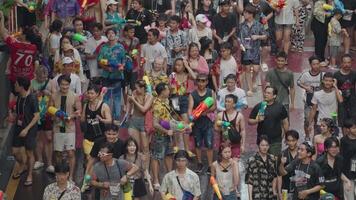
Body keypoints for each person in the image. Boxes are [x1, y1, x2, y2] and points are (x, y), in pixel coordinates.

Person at [0, 11, 40, 98]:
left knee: (14, 96)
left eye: (21, 33)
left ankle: (12, 110)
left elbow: (3, 33)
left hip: (15, 78)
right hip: (28, 78)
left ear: (25, 36)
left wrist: (2, 18)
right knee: (25, 96)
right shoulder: (33, 47)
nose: (20, 34)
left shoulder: (16, 45)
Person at [8, 77, 39, 186]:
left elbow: (36, 116)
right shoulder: (19, 97)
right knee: (15, 151)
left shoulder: (32, 99)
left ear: (21, 87)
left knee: (29, 153)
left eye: (16, 84)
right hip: (19, 127)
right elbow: (19, 113)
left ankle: (30, 175)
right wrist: (12, 117)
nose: (14, 86)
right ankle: (23, 165)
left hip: (29, 129)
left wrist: (26, 129)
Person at [49, 75, 81, 180]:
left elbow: (79, 111)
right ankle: (59, 174)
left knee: (70, 152)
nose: (65, 87)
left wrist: (71, 116)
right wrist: (55, 116)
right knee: (57, 152)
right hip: (58, 127)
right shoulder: (53, 96)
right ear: (59, 85)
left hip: (70, 127)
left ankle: (70, 176)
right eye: (63, 84)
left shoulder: (75, 96)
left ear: (69, 85)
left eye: (67, 84)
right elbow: (49, 110)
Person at [248, 86, 289, 156]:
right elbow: (250, 121)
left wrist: (287, 136)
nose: (265, 94)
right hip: (262, 140)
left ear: (274, 96)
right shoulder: (259, 106)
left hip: (275, 140)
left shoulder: (280, 107)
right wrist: (257, 120)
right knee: (263, 161)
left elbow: (285, 122)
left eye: (268, 93)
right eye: (265, 92)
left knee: (275, 160)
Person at [188, 73, 217, 174]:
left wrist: (205, 111)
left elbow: (214, 106)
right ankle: (199, 163)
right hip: (197, 123)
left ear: (207, 82)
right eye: (199, 80)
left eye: (203, 81)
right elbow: (190, 109)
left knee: (209, 144)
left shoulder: (210, 92)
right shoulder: (193, 94)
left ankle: (210, 165)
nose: (201, 83)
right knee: (198, 144)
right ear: (196, 82)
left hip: (208, 122)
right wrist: (191, 118)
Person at [97, 28, 127, 123]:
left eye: (112, 33)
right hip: (106, 75)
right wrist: (106, 68)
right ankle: (106, 118)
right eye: (108, 33)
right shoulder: (103, 47)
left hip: (117, 75)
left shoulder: (120, 47)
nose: (110, 35)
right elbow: (99, 60)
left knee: (117, 97)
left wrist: (122, 66)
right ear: (106, 36)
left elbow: (124, 60)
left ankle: (117, 118)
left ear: (115, 35)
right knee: (105, 97)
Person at [169, 58, 196, 156]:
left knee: (186, 124)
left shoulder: (186, 75)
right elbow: (170, 89)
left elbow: (195, 77)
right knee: (176, 124)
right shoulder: (172, 75)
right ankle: (176, 146)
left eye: (180, 65)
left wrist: (188, 66)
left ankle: (186, 149)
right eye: (176, 65)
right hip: (174, 99)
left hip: (184, 99)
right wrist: (171, 88)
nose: (177, 67)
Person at [239, 5, 268, 96]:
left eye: (246, 13)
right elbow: (238, 38)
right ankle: (250, 88)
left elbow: (265, 36)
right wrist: (240, 45)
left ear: (251, 14)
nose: (244, 14)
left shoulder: (258, 25)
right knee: (247, 69)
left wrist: (258, 37)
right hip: (245, 50)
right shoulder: (241, 26)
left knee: (256, 69)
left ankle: (254, 79)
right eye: (244, 12)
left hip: (255, 50)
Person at [151, 83, 175, 190]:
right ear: (162, 92)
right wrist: (166, 131)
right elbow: (155, 124)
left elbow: (168, 117)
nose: (169, 91)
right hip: (159, 135)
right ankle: (155, 180)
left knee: (169, 155)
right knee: (156, 157)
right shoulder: (157, 105)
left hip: (168, 133)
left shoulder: (167, 101)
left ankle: (169, 176)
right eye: (167, 89)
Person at [31, 66, 54, 173]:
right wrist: (35, 94)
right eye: (41, 78)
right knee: (38, 137)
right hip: (36, 113)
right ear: (36, 75)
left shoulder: (51, 82)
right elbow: (28, 96)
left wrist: (49, 93)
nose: (43, 80)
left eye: (45, 77)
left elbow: (55, 95)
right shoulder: (32, 83)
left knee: (49, 137)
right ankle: (39, 160)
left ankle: (49, 163)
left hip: (47, 113)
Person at [81, 84, 112, 161]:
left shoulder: (104, 106)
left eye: (92, 93)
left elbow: (109, 120)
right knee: (88, 159)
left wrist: (102, 120)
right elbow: (82, 120)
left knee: (100, 159)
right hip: (88, 137)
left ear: (97, 94)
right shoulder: (86, 105)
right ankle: (87, 172)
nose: (90, 95)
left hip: (100, 138)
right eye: (88, 93)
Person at [297, 56, 323, 140]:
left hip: (320, 103)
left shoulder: (323, 75)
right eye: (314, 64)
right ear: (310, 65)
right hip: (308, 102)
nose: (316, 66)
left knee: (318, 121)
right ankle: (307, 136)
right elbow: (298, 82)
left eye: (317, 64)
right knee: (307, 120)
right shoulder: (306, 75)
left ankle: (316, 136)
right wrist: (306, 87)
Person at [245, 135, 278, 200]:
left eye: (266, 145)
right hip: (257, 195)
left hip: (270, 195)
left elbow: (275, 177)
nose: (265, 147)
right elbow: (249, 181)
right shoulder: (252, 160)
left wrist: (274, 192)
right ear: (258, 145)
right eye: (262, 145)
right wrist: (250, 198)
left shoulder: (273, 159)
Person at [127, 80, 153, 157]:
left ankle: (146, 168)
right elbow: (129, 101)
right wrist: (128, 112)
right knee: (136, 146)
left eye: (137, 88)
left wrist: (134, 100)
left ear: (142, 88)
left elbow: (144, 110)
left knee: (145, 147)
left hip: (144, 122)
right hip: (134, 120)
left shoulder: (149, 97)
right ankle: (137, 166)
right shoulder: (134, 93)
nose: (136, 89)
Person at [334, 54, 356, 133]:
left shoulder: (354, 74)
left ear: (351, 63)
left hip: (353, 103)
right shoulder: (336, 75)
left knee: (353, 123)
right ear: (341, 63)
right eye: (345, 62)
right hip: (341, 104)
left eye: (349, 62)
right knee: (343, 124)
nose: (347, 64)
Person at [278, 130, 299, 200]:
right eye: (289, 141)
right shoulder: (282, 154)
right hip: (285, 188)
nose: (291, 143)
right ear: (286, 141)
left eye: (293, 141)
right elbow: (279, 175)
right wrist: (279, 192)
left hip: (300, 189)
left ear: (297, 140)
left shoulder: (302, 153)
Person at [340, 119, 356, 200]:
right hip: (348, 173)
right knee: (349, 197)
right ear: (348, 129)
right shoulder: (343, 140)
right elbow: (341, 157)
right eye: (353, 128)